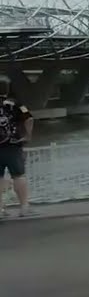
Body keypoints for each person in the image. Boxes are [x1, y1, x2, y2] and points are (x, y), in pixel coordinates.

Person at [0, 75, 35, 218]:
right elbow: (29, 117)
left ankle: (1, 210)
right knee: (18, 175)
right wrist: (27, 135)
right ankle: (24, 207)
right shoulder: (16, 104)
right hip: (13, 145)